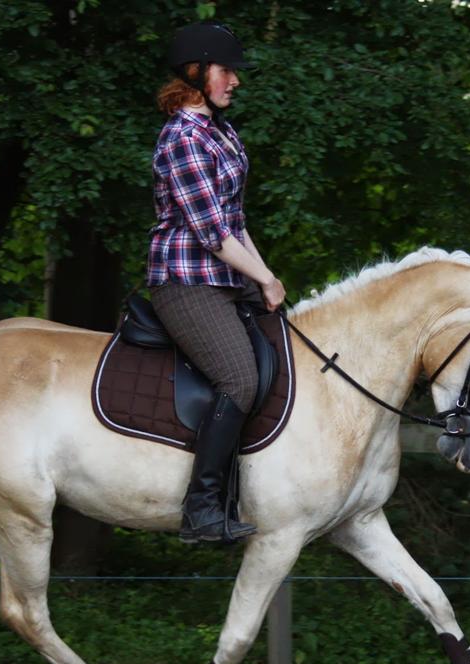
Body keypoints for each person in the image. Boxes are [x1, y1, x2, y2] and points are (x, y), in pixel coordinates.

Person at [147, 21, 286, 544]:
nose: (235, 81)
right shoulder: (182, 138)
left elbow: (236, 221)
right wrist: (265, 278)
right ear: (196, 73)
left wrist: (264, 278)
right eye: (226, 71)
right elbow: (210, 233)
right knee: (240, 380)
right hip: (184, 280)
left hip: (225, 275)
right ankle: (201, 508)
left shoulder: (219, 132)